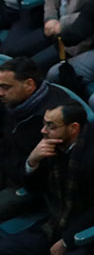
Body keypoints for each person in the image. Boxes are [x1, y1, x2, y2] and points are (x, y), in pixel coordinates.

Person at [0, 100, 94, 255]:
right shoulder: (51, 143)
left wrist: (66, 240)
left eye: (51, 126)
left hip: (82, 232)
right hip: (53, 221)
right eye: (44, 124)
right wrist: (33, 161)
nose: (43, 130)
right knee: (5, 248)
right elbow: (35, 188)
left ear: (73, 128)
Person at [0, 58, 68, 219]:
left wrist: (29, 165)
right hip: (7, 165)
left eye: (5, 87)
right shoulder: (10, 102)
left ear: (29, 85)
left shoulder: (54, 121)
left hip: (27, 182)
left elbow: (45, 177)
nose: (0, 92)